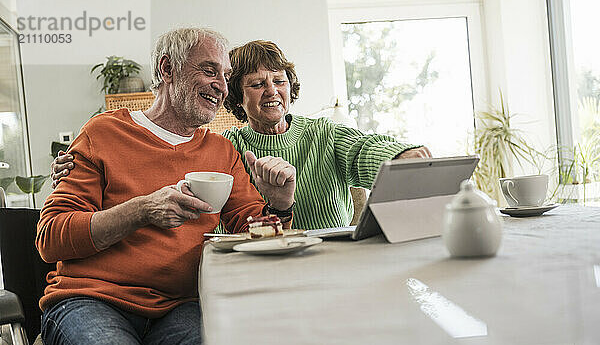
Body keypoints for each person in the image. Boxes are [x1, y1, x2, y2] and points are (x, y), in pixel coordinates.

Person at [36, 28, 296, 345]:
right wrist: (141, 210)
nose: (222, 86)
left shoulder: (222, 152)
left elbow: (252, 228)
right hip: (89, 301)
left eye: (225, 75)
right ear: (167, 68)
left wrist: (279, 204)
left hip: (177, 308)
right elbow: (51, 237)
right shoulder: (103, 133)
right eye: (209, 70)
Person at [52, 40, 431, 230]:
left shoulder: (324, 133)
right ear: (236, 96)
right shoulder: (226, 149)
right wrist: (84, 166)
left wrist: (403, 156)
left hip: (332, 266)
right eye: (257, 83)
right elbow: (157, 176)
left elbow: (367, 150)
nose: (272, 91)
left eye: (279, 81)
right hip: (265, 276)